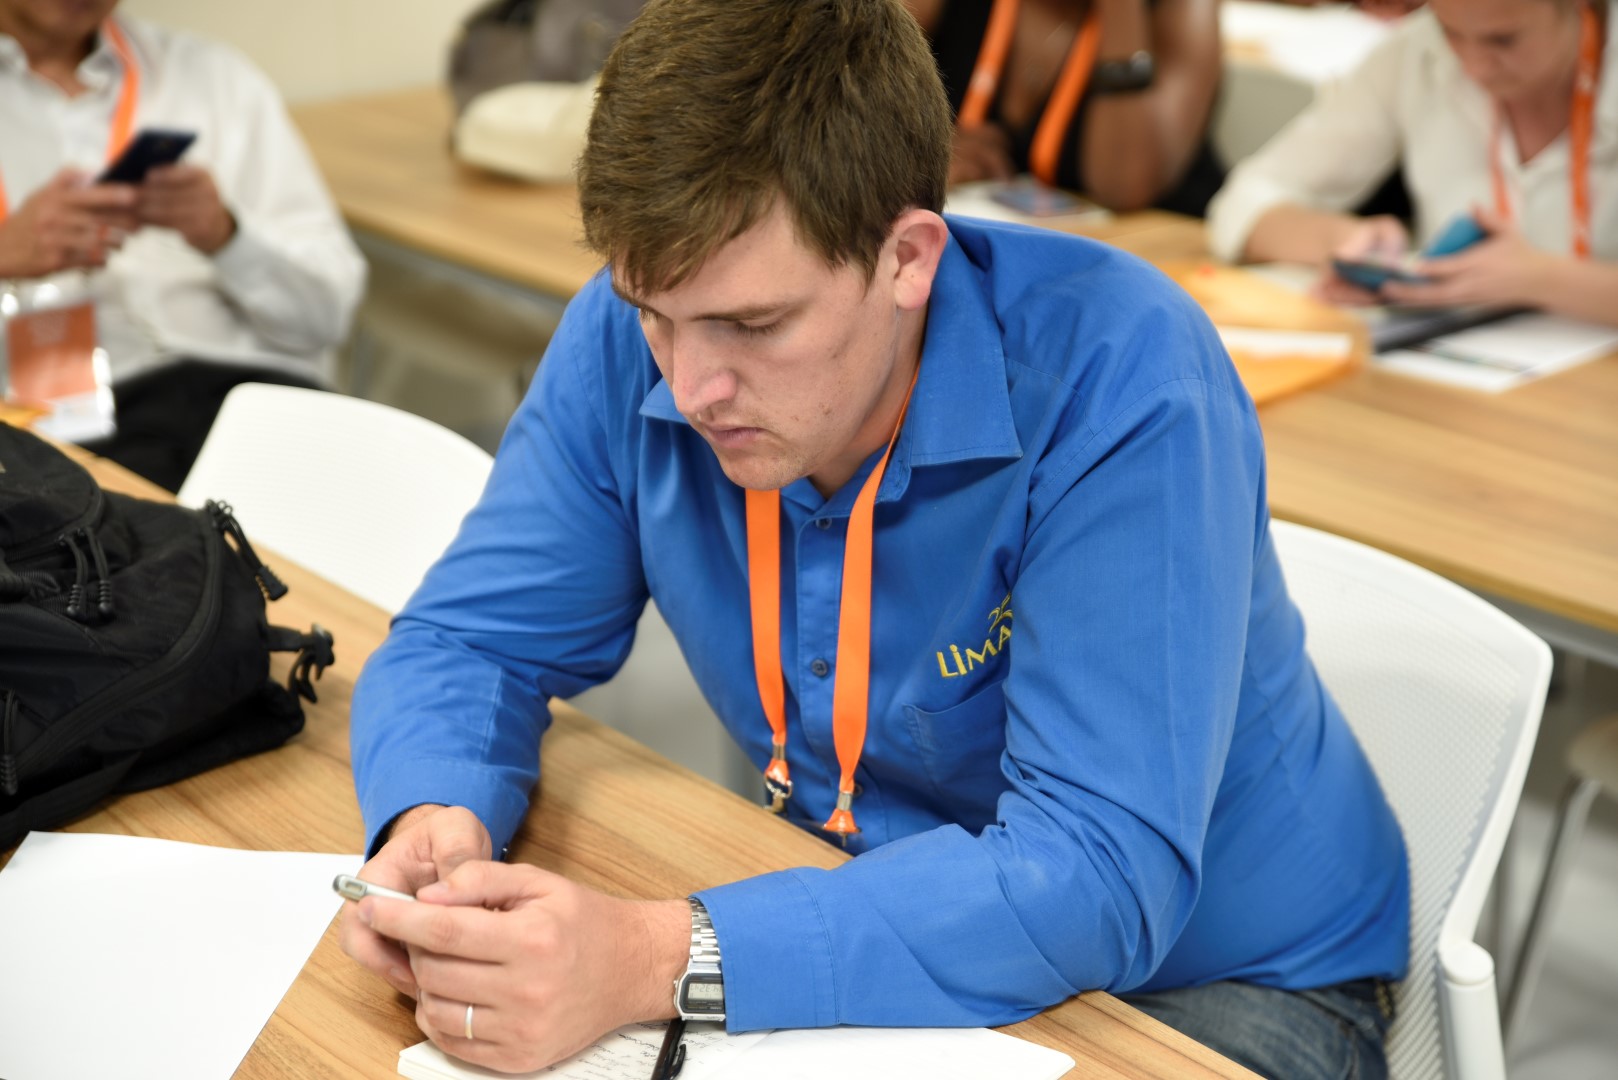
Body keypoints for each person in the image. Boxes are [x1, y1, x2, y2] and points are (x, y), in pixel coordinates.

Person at [339, 2, 1409, 1078]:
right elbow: (472, 642)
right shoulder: (637, 327)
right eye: (656, 315)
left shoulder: (1122, 376)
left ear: (908, 258)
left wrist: (657, 957)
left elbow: (1094, 874)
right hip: (870, 918)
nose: (691, 386)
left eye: (754, 326)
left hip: (1211, 983)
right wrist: (435, 813)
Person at [0, 0, 365, 490]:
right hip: (47, 439)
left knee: (383, 501)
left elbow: (327, 317)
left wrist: (227, 235)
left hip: (247, 397)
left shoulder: (216, 80)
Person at [1208, 0, 1618, 327]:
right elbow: (1243, 201)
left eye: (1504, 40)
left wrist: (1541, 278)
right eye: (1450, 31)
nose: (1473, 65)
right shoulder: (1413, 53)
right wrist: (1344, 243)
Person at [902, 0, 1226, 215]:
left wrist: (1121, 11)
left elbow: (1123, 187)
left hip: (1159, 263)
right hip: (1005, 255)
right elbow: (872, 110)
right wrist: (923, 153)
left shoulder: (1177, 8)